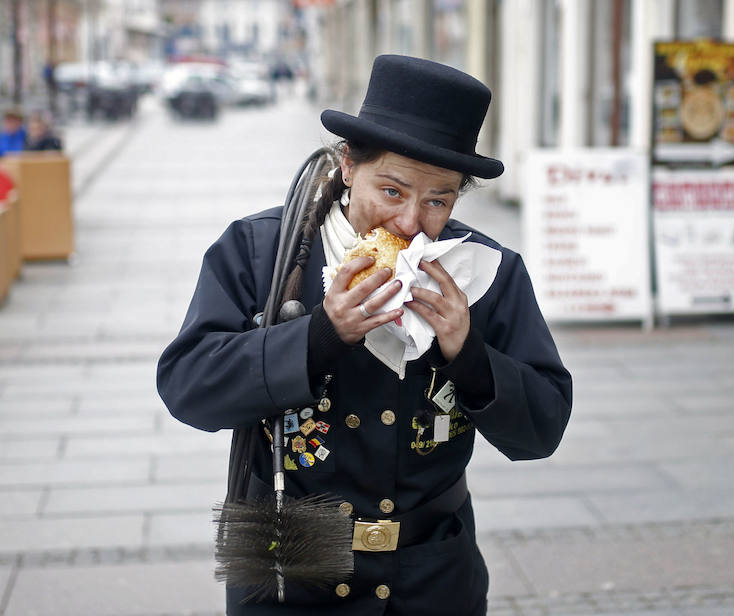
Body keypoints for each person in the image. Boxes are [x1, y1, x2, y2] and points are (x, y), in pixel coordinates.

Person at [157, 55, 572, 615]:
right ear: (349, 165)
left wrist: (469, 356)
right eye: (394, 192)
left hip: (430, 569)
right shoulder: (261, 252)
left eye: (438, 200)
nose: (410, 222)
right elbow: (188, 388)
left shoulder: (485, 274)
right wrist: (318, 338)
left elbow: (542, 430)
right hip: (288, 560)